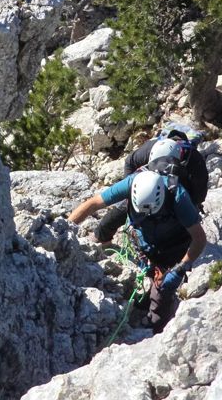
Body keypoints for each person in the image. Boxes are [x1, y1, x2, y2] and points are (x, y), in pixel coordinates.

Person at [68, 163, 207, 332]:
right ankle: (143, 305)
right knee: (147, 280)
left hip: (174, 246)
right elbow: (94, 203)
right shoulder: (131, 183)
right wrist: (63, 228)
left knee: (162, 290)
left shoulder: (177, 195)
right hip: (146, 244)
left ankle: (157, 328)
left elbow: (199, 239)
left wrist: (179, 269)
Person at [94, 125, 209, 244]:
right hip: (147, 180)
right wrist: (130, 189)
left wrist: (183, 204)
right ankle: (101, 238)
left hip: (176, 185)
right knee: (125, 207)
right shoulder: (148, 150)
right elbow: (130, 162)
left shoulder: (195, 163)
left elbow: (199, 196)